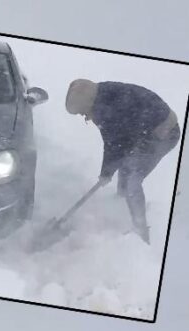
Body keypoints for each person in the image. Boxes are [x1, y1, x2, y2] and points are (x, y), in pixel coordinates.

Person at [65, 79, 181, 244]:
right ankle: (121, 208)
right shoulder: (102, 97)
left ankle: (140, 231)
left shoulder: (106, 108)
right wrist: (107, 172)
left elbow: (115, 143)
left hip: (164, 133)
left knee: (133, 179)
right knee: (126, 169)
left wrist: (106, 173)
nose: (85, 117)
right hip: (144, 133)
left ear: (88, 103)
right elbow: (115, 142)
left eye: (83, 112)